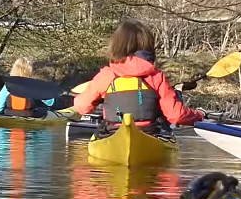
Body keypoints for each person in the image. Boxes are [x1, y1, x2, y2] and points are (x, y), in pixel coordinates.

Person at [71, 19, 204, 130]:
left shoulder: (106, 75)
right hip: (150, 134)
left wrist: (98, 100)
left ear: (116, 47)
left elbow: (82, 107)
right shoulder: (156, 77)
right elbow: (177, 116)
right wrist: (198, 115)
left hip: (114, 133)